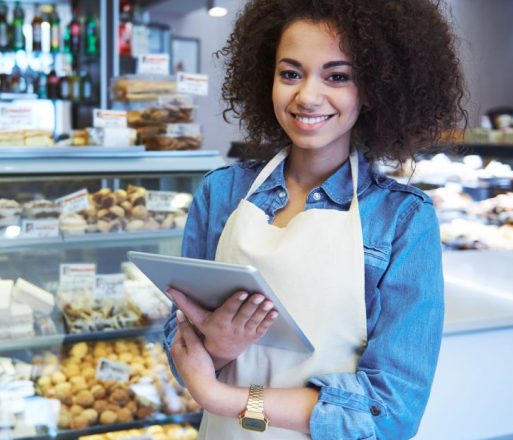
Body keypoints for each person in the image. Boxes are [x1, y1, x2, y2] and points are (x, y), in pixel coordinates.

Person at [162, 0, 466, 439]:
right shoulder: (222, 193)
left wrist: (221, 397)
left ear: (376, 87)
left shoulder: (401, 220)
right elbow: (182, 354)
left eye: (337, 76)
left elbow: (392, 413)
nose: (307, 96)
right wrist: (219, 346)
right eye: (290, 73)